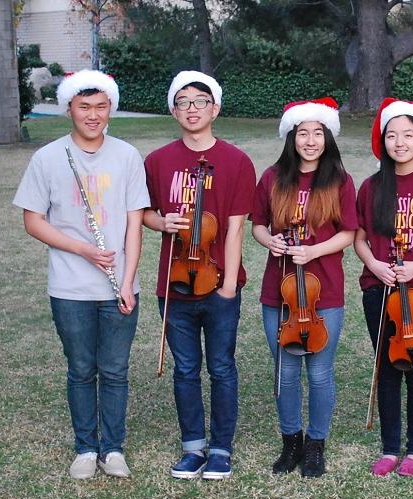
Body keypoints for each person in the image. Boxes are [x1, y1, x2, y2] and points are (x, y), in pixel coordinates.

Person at [13, 70, 149, 479]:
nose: (93, 115)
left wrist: (128, 281)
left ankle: (113, 448)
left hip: (119, 288)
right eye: (84, 106)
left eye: (101, 107)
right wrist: (83, 249)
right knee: (81, 369)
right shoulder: (48, 157)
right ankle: (86, 448)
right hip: (70, 287)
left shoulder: (126, 155)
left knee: (115, 371)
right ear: (69, 108)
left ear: (111, 109)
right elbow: (33, 220)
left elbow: (134, 224)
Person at [143, 71, 256, 480]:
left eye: (200, 101)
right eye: (183, 102)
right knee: (186, 368)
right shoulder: (157, 161)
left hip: (220, 283)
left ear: (215, 108)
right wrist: (161, 223)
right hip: (173, 285)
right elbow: (144, 213)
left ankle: (221, 448)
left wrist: (228, 285)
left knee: (222, 366)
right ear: (174, 111)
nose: (192, 109)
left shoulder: (237, 161)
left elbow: (237, 226)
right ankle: (193, 447)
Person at [250, 97, 357, 478]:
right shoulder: (273, 177)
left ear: (327, 137)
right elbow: (258, 223)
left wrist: (313, 250)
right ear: (291, 137)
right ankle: (290, 442)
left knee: (320, 372)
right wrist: (270, 242)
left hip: (323, 291)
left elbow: (348, 233)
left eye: (317, 133)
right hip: (278, 291)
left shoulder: (340, 180)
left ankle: (316, 444)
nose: (310, 140)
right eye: (302, 133)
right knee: (285, 370)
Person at [354, 98, 413, 477]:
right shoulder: (372, 186)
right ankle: (390, 448)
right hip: (378, 288)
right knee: (387, 365)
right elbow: (360, 238)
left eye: (407, 135)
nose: (400, 142)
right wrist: (376, 265)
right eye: (392, 135)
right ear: (383, 142)